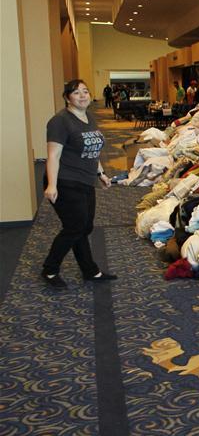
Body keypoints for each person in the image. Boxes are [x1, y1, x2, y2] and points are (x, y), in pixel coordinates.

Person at [41, 79, 117, 288]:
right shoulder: (60, 121)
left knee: (85, 227)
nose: (82, 96)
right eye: (76, 92)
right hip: (64, 180)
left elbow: (93, 150)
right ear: (67, 97)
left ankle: (90, 270)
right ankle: (50, 269)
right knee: (74, 227)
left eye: (85, 91)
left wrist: (100, 173)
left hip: (85, 180)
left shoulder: (89, 117)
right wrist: (52, 185)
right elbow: (53, 156)